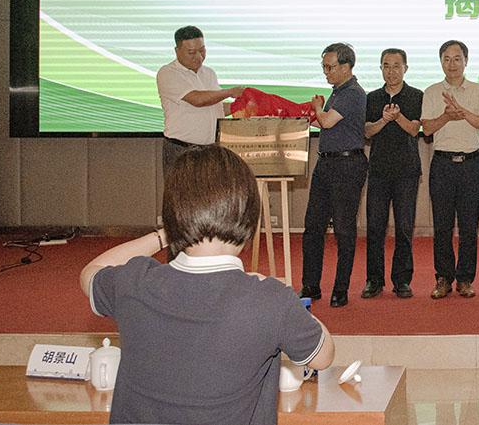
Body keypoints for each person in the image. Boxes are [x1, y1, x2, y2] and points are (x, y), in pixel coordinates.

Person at [80, 145, 333, 425]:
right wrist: (286, 298)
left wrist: (165, 235)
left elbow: (91, 272)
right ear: (250, 216)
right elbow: (323, 357)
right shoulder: (271, 300)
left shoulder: (135, 283)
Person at [421, 39, 479, 299]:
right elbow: (427, 129)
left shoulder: (478, 91)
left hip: (471, 164)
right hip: (442, 164)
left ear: (466, 61)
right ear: (441, 62)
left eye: (457, 59)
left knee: (469, 226)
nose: (452, 64)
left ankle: (465, 279)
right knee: (442, 226)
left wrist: (461, 111)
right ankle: (443, 278)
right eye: (447, 59)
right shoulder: (431, 92)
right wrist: (446, 116)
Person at [300, 42, 368, 307]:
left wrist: (318, 108)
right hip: (326, 163)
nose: (326, 72)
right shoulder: (337, 92)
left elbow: (327, 121)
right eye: (324, 67)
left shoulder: (353, 93)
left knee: (343, 229)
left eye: (330, 67)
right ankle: (310, 285)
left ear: (346, 66)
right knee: (313, 226)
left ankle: (341, 288)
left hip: (347, 165)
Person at [361, 48, 423, 299]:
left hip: (407, 172)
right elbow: (367, 131)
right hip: (378, 171)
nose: (391, 71)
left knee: (404, 228)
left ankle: (402, 280)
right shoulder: (372, 97)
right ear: (381, 69)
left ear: (405, 68)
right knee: (375, 228)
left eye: (396, 66)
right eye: (386, 66)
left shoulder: (416, 95)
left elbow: (414, 129)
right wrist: (384, 120)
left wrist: (397, 117)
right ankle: (374, 280)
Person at [155, 25, 243, 173]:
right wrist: (229, 92)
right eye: (191, 52)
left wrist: (240, 106)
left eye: (202, 50)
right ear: (177, 50)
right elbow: (198, 100)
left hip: (211, 149)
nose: (198, 56)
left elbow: (216, 107)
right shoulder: (168, 73)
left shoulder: (209, 73)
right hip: (183, 149)